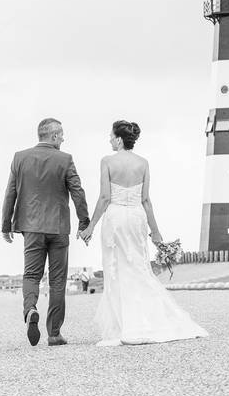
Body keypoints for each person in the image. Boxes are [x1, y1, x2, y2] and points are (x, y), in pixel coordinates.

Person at [78, 121, 208, 346]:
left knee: (116, 268)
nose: (109, 139)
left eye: (111, 136)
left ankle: (124, 325)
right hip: (137, 218)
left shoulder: (107, 161)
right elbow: (146, 200)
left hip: (116, 218)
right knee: (138, 267)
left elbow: (105, 198)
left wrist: (91, 227)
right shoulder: (143, 163)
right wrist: (155, 232)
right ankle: (149, 320)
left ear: (119, 139)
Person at [2, 118, 90, 347]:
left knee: (31, 275)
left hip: (31, 228)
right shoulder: (65, 159)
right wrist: (84, 221)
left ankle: (30, 308)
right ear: (53, 136)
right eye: (61, 135)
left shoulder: (20, 158)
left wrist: (6, 225)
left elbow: (10, 193)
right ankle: (54, 333)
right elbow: (77, 192)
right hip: (58, 228)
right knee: (57, 280)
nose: (63, 139)